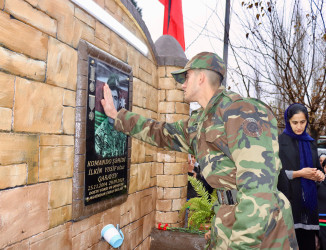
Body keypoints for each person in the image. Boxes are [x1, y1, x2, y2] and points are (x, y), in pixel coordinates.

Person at [101, 52, 298, 249]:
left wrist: (239, 243)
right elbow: (160, 132)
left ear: (201, 77)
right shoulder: (200, 122)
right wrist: (117, 115)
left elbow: (258, 190)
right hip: (231, 218)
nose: (182, 85)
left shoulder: (241, 112)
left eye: (186, 78)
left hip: (261, 228)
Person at [277, 103, 325, 250]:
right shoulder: (279, 142)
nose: (299, 126)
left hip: (309, 209)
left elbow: (316, 168)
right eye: (295, 122)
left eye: (302, 122)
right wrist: (299, 173)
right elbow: (275, 174)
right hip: (289, 205)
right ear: (288, 121)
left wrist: (319, 175)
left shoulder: (311, 143)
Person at [95, 74, 127, 157]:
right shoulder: (99, 134)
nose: (113, 102)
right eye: (110, 97)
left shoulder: (123, 132)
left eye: (115, 98)